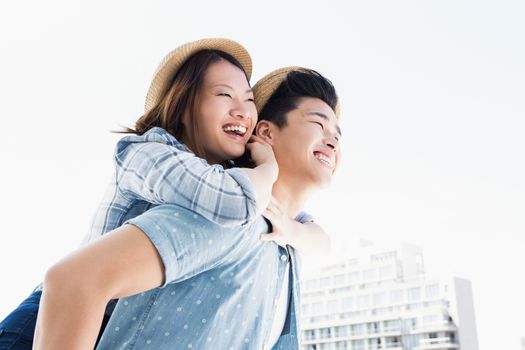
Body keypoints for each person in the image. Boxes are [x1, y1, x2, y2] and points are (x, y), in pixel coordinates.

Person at [0, 39, 330, 349]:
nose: (243, 110)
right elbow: (236, 205)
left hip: (105, 314)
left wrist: (289, 228)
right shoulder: (146, 152)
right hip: (50, 319)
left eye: (248, 100)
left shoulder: (224, 178)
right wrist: (266, 168)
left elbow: (320, 240)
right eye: (224, 95)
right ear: (185, 105)